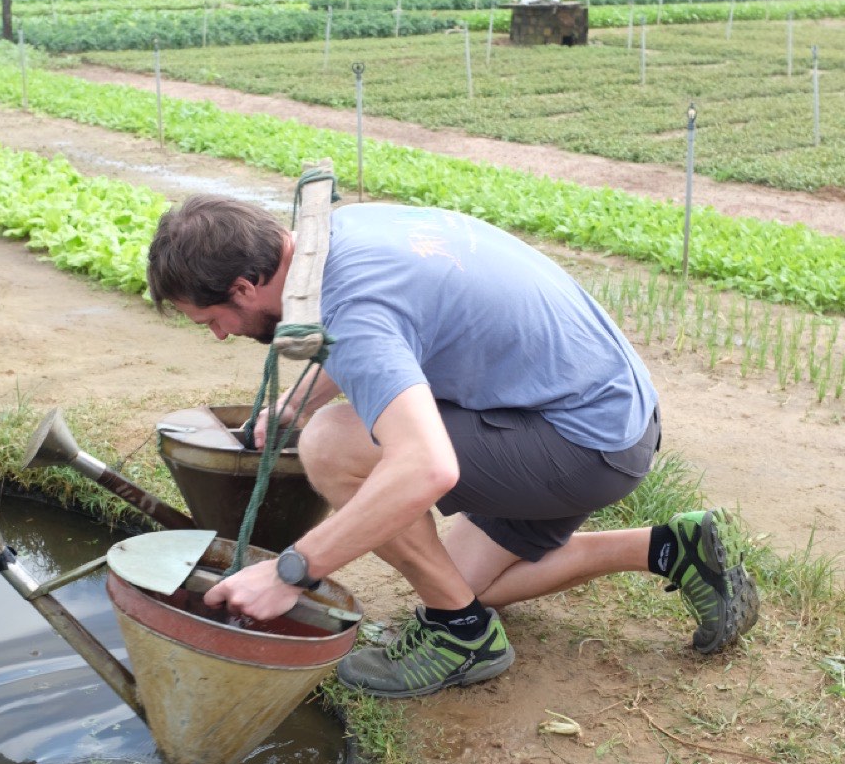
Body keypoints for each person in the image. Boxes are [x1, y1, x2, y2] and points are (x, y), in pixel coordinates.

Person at [146, 195, 759, 699]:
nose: (222, 335)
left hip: (584, 443)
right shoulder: (337, 234)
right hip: (599, 410)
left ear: (246, 286)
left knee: (333, 444)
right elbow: (393, 331)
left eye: (212, 321)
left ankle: (459, 634)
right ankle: (673, 547)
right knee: (461, 577)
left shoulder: (352, 307)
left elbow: (426, 466)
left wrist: (289, 574)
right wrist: (301, 400)